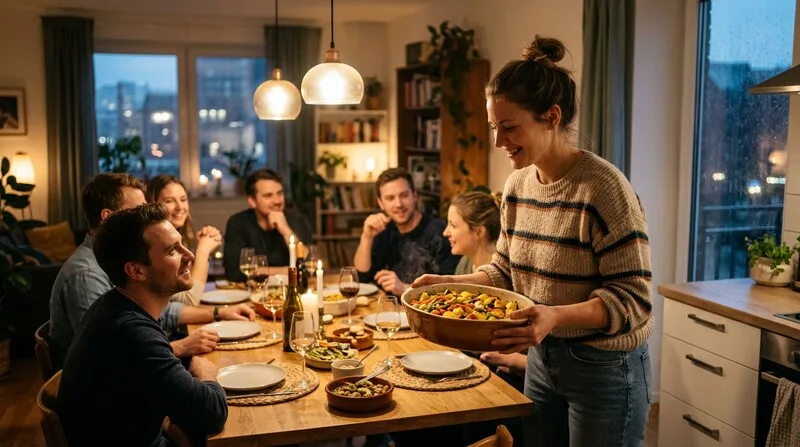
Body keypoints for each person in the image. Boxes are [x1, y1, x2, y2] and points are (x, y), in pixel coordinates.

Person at [413, 36, 653, 446]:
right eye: (493, 127)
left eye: (509, 127)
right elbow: (505, 270)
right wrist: (448, 285)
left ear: (551, 116)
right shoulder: (518, 185)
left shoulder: (604, 189)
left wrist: (555, 316)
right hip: (542, 361)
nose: (497, 141)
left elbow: (634, 299)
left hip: (604, 370)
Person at [58, 203, 228, 447]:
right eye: (172, 251)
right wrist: (208, 376)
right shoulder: (130, 331)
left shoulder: (115, 305)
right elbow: (212, 414)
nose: (188, 255)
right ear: (136, 270)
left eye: (182, 243)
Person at [49, 173, 254, 370]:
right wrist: (182, 346)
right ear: (107, 217)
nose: (146, 216)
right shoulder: (86, 274)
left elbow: (161, 312)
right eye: (138, 210)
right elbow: (108, 357)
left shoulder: (122, 261)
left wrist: (218, 313)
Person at [354, 167, 459, 296]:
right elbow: (362, 277)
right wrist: (366, 237)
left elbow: (451, 289)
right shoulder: (383, 229)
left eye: (404, 195)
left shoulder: (441, 232)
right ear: (380, 203)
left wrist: (404, 288)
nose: (398, 204)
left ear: (414, 196)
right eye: (390, 198)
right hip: (390, 310)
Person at [223, 169, 313, 281]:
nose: (277, 201)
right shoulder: (237, 223)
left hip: (293, 291)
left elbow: (309, 265)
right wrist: (289, 270)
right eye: (268, 195)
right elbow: (233, 272)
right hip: (252, 294)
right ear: (252, 201)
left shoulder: (298, 220)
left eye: (280, 193)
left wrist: (285, 230)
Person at [147, 174, 222, 305]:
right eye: (169, 201)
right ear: (153, 205)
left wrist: (203, 243)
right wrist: (203, 250)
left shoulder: (181, 239)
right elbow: (189, 300)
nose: (179, 207)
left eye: (183, 199)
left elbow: (189, 284)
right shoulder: (155, 246)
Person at [444, 191, 501, 275]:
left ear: (479, 232)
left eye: (453, 225)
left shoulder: (503, 272)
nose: (445, 233)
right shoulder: (465, 263)